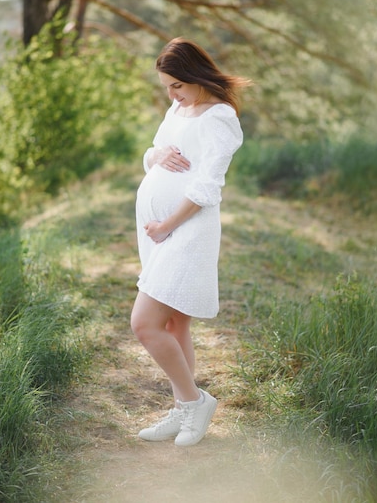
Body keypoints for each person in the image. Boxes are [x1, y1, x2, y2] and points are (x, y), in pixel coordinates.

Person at [131, 37, 247, 447]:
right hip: (159, 230)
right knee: (174, 322)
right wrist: (156, 156)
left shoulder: (219, 117)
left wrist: (167, 226)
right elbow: (154, 152)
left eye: (177, 85)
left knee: (144, 324)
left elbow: (207, 186)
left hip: (187, 230)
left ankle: (196, 402)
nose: (171, 93)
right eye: (166, 86)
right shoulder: (178, 108)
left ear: (196, 77)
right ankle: (184, 408)